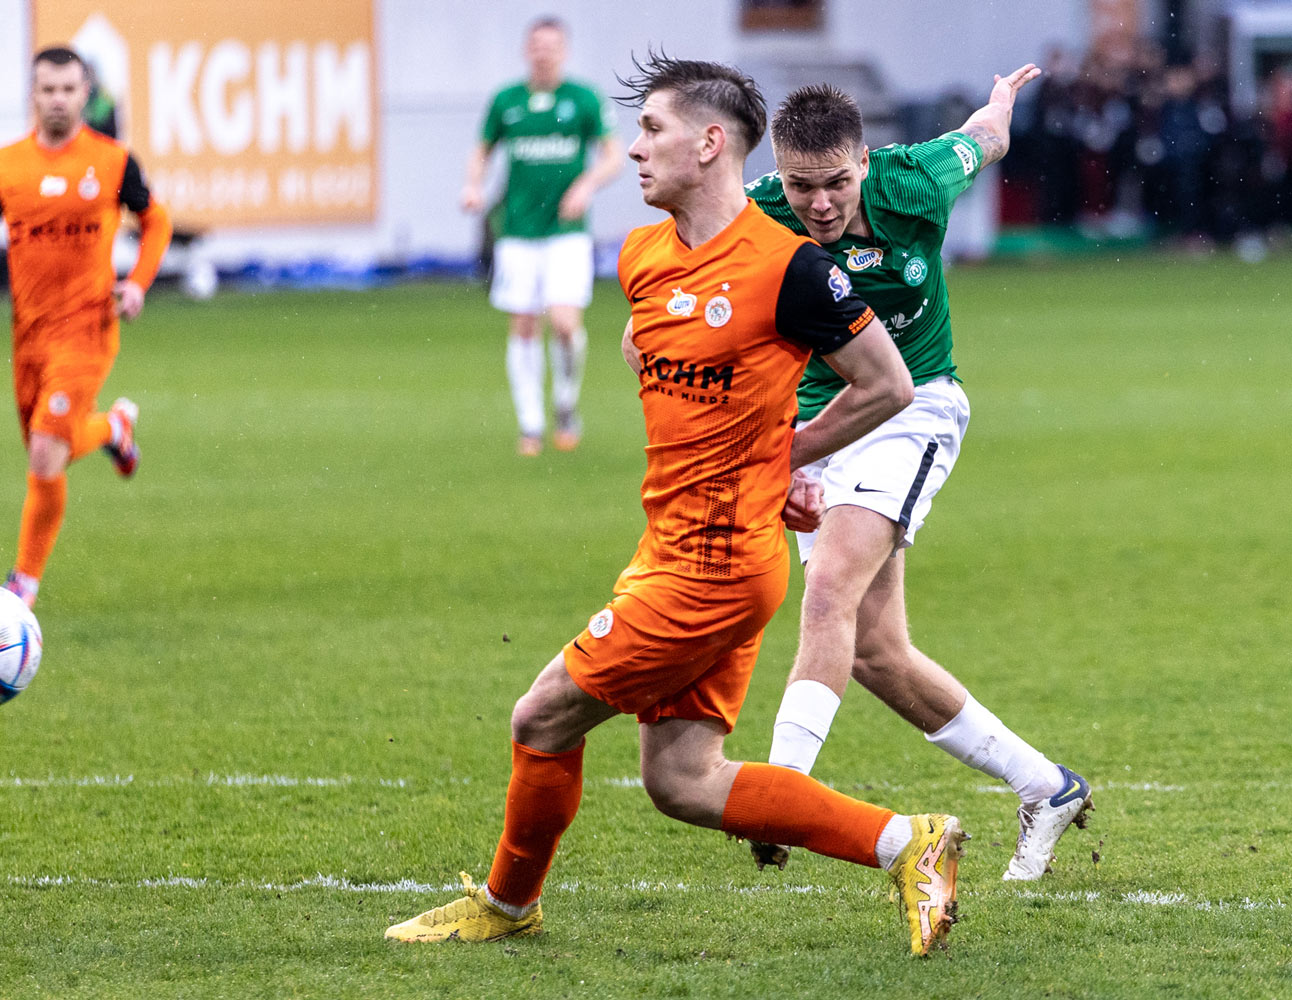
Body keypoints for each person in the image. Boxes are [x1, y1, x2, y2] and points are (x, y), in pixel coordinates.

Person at [388, 53, 967, 957]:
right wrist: (752, 436)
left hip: (718, 563)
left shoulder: (791, 268)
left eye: (652, 129)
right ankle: (907, 842)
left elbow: (889, 385)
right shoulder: (642, 255)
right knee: (684, 779)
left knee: (539, 718)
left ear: (708, 143)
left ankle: (506, 906)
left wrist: (786, 454)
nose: (634, 149)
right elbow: (643, 347)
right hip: (670, 543)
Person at [739, 69, 1094, 881]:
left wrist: (1003, 97)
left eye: (835, 183)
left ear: (865, 163)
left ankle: (782, 791)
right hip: (820, 422)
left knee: (828, 589)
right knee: (876, 653)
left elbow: (987, 138)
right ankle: (1047, 784)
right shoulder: (755, 213)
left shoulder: (916, 183)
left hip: (914, 406)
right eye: (802, 186)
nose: (819, 203)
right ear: (778, 174)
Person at [0, 46, 172, 609]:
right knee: (48, 449)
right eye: (47, 89)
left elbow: (157, 222)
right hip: (29, 335)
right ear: (33, 95)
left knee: (45, 456)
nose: (57, 99)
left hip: (88, 329)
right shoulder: (4, 165)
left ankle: (21, 586)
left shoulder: (113, 161)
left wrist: (139, 283)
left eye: (68, 89)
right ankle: (114, 429)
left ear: (85, 94)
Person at [463, 16, 622, 455]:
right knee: (525, 323)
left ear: (564, 51)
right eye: (536, 45)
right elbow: (481, 150)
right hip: (517, 230)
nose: (543, 52)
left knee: (566, 324)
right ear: (526, 50)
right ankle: (531, 423)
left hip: (567, 231)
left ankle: (566, 403)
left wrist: (586, 185)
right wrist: (473, 186)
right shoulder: (507, 101)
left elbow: (614, 156)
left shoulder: (582, 99)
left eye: (552, 45)